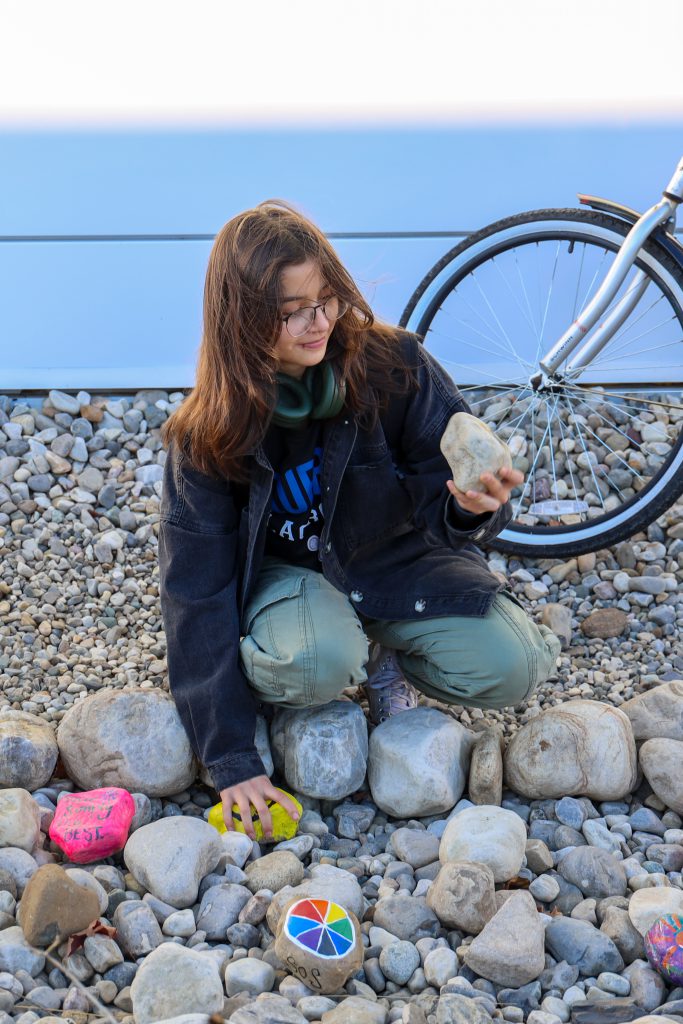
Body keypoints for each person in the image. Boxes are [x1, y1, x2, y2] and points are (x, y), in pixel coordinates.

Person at [158, 198, 561, 843]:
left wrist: (468, 508)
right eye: (292, 312)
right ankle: (344, 647)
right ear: (241, 319)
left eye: (326, 300)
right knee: (312, 665)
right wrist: (230, 755)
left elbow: (450, 489)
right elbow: (194, 588)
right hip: (294, 579)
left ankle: (384, 653)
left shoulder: (393, 365)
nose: (317, 323)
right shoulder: (210, 429)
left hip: (390, 562)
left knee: (515, 665)